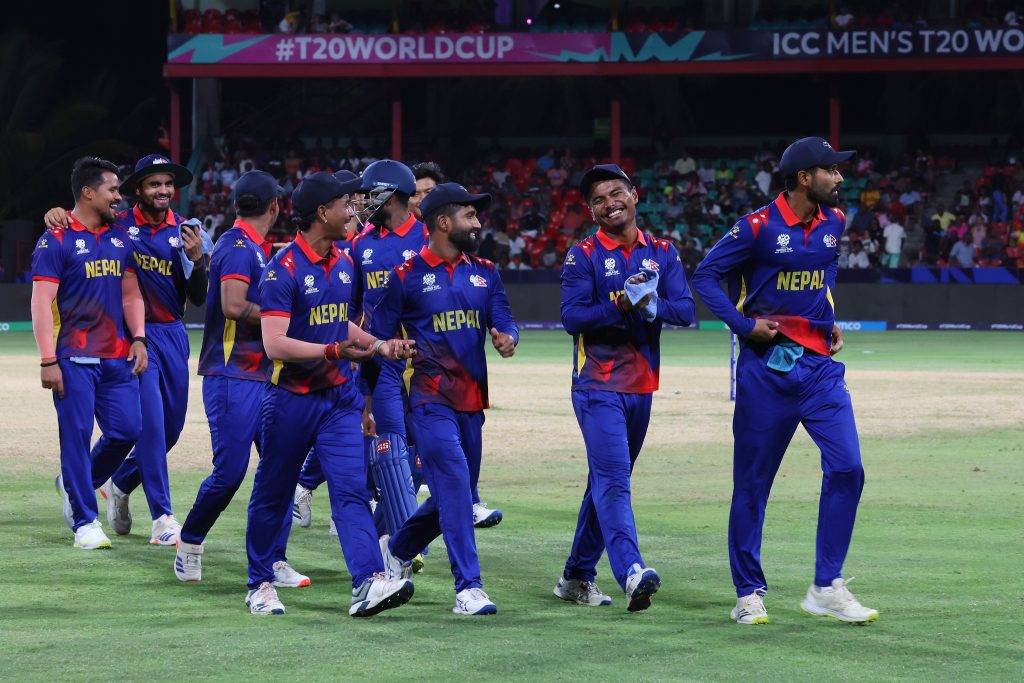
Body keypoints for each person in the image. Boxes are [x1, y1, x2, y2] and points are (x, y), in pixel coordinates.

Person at [691, 137, 879, 626]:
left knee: (849, 468)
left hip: (820, 370)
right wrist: (743, 325)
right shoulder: (756, 227)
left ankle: (825, 587)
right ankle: (748, 592)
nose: (840, 178)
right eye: (831, 170)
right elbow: (705, 276)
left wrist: (827, 317)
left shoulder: (835, 222)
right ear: (804, 178)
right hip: (766, 371)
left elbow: (826, 272)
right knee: (752, 486)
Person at [244, 172, 416, 616]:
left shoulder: (343, 261)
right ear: (322, 212)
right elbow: (274, 344)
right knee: (274, 491)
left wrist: (379, 346)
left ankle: (368, 582)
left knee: (352, 490)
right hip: (291, 399)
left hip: (339, 398)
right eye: (345, 203)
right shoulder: (282, 269)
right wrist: (332, 350)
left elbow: (340, 323)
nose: (354, 210)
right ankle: (260, 583)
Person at [44, 154, 208, 546]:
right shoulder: (118, 223)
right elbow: (80, 219)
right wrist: (55, 213)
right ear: (138, 189)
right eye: (154, 184)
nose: (163, 190)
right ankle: (162, 518)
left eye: (168, 184)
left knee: (169, 431)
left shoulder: (188, 230)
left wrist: (199, 260)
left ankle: (106, 482)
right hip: (132, 338)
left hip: (173, 333)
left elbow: (199, 298)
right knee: (148, 425)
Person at [373, 183, 519, 616]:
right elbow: (376, 336)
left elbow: (504, 319)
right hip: (427, 401)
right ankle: (468, 587)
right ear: (442, 222)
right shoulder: (405, 276)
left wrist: (508, 337)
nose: (477, 223)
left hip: (472, 403)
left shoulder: (486, 272)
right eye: (469, 215)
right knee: (455, 486)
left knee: (451, 495)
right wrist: (370, 397)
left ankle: (397, 549)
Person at [555, 164, 695, 612]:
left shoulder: (663, 252)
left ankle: (576, 576)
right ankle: (632, 571)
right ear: (591, 211)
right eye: (598, 199)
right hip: (597, 384)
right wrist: (621, 303)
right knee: (614, 480)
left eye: (616, 192)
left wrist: (651, 305)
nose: (609, 203)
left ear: (634, 195)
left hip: (641, 386)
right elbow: (572, 318)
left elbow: (686, 310)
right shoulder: (583, 254)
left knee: (605, 482)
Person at [174, 171, 305, 587]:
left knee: (279, 469)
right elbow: (233, 305)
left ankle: (274, 560)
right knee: (230, 473)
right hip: (233, 375)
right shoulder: (237, 246)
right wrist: (282, 320)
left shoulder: (253, 248)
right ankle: (190, 540)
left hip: (263, 376)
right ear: (275, 207)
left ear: (235, 205)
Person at [32, 157, 148, 550]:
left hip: (117, 356)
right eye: (112, 189)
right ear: (87, 192)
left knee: (128, 430)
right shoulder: (55, 239)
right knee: (76, 439)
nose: (118, 196)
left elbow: (130, 293)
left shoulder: (121, 237)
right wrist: (48, 359)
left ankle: (74, 485)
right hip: (72, 357)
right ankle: (85, 523)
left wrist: (139, 337)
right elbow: (40, 302)